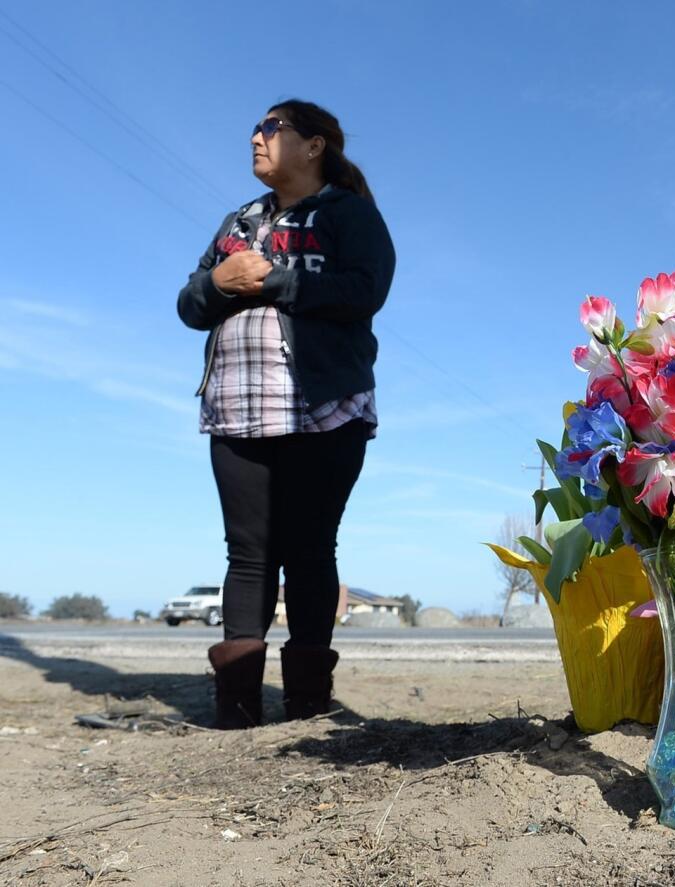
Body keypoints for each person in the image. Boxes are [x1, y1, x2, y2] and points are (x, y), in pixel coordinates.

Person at [177, 100, 395, 729]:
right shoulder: (237, 221)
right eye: (255, 126)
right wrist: (220, 282)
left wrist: (272, 281)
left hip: (322, 406)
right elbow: (190, 305)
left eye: (272, 127)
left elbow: (365, 291)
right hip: (236, 406)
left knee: (307, 548)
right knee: (247, 554)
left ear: (314, 145)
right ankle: (238, 706)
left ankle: (305, 706)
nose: (255, 136)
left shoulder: (347, 214)